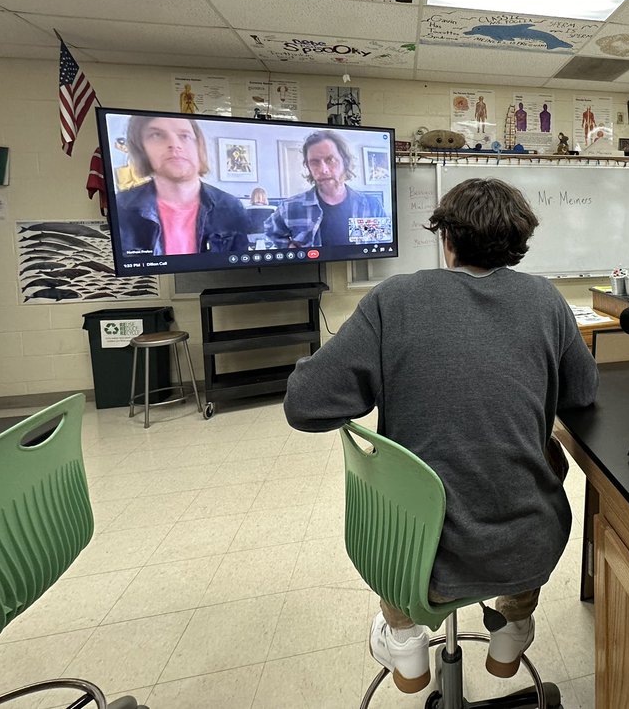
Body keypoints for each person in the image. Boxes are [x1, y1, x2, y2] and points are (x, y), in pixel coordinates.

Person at [283, 178, 598, 692]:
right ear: (519, 243)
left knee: (398, 492)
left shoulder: (394, 299)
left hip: (411, 554)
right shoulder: (546, 300)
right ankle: (513, 625)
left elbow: (305, 405)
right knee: (546, 460)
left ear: (446, 239)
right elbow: (583, 394)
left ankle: (404, 636)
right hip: (525, 546)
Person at [113, 115, 250, 256]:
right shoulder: (120, 207)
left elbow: (240, 268)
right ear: (141, 149)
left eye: (184, 136)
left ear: (198, 146)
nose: (174, 144)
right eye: (157, 135)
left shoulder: (232, 206)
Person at [264, 130, 386, 249]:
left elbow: (382, 244)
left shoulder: (371, 206)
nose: (323, 170)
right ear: (308, 167)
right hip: (310, 269)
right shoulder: (289, 207)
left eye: (330, 160)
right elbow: (269, 232)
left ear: (345, 161)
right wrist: (287, 247)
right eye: (314, 162)